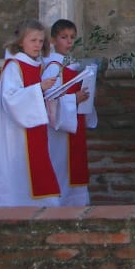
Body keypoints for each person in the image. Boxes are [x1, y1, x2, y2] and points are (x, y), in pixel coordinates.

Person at [0, 20, 62, 207]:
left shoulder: (37, 65)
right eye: (33, 40)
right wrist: (39, 87)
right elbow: (10, 99)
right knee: (22, 177)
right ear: (21, 42)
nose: (38, 45)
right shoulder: (14, 66)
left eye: (41, 41)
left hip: (37, 130)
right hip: (17, 134)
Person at [42, 19, 97, 206]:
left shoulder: (70, 66)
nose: (69, 42)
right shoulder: (53, 67)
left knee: (71, 169)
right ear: (53, 40)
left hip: (72, 126)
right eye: (64, 37)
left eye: (72, 38)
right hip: (58, 132)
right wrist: (74, 99)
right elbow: (48, 101)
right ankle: (58, 206)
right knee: (60, 168)